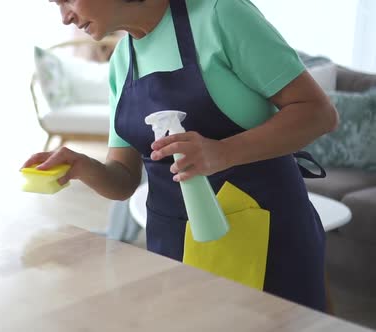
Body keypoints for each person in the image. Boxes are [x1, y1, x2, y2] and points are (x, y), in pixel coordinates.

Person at [25, 0, 338, 311]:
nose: (65, 17)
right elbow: (122, 180)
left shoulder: (221, 15)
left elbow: (319, 113)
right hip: (174, 246)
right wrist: (81, 166)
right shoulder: (123, 59)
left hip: (268, 240)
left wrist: (223, 152)